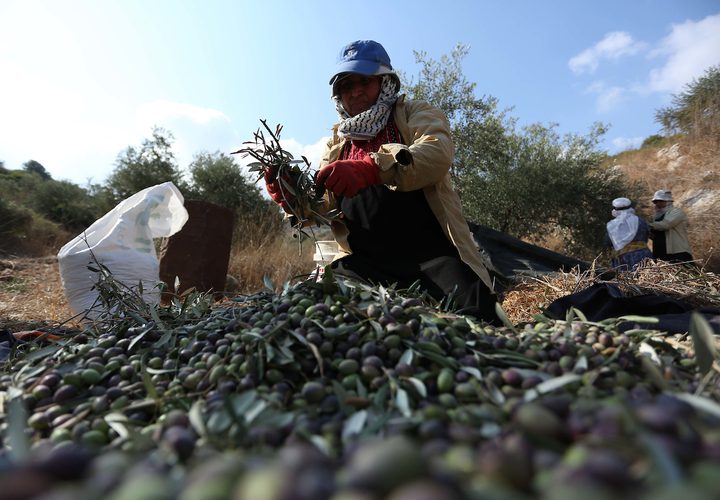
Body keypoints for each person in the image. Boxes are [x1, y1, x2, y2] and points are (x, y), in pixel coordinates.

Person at [265, 40, 499, 323]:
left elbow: (437, 152)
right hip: (364, 263)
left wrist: (371, 168)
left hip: (431, 256)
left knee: (478, 318)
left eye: (365, 80)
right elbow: (323, 209)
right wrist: (294, 200)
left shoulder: (414, 114)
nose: (356, 91)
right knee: (311, 313)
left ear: (385, 82)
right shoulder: (337, 144)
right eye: (346, 86)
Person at [605, 197, 652, 271]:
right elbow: (646, 236)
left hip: (623, 260)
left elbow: (608, 242)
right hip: (643, 256)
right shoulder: (640, 221)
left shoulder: (611, 226)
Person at [648, 190, 695, 264]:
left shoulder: (676, 212)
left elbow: (666, 225)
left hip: (677, 252)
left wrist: (647, 225)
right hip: (660, 253)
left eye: (660, 201)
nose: (657, 204)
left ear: (668, 201)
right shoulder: (656, 217)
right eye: (655, 202)